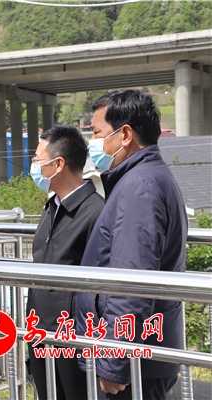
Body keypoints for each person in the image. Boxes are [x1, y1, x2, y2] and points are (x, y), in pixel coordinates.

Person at [76, 89, 188, 399]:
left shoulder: (139, 187)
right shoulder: (145, 177)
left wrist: (115, 362)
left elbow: (132, 281)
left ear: (125, 135)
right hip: (142, 356)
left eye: (97, 133)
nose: (92, 143)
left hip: (134, 364)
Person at [26, 125, 104, 400]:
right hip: (40, 331)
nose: (34, 166)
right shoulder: (52, 207)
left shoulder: (95, 212)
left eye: (37, 159)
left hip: (74, 338)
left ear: (58, 164)